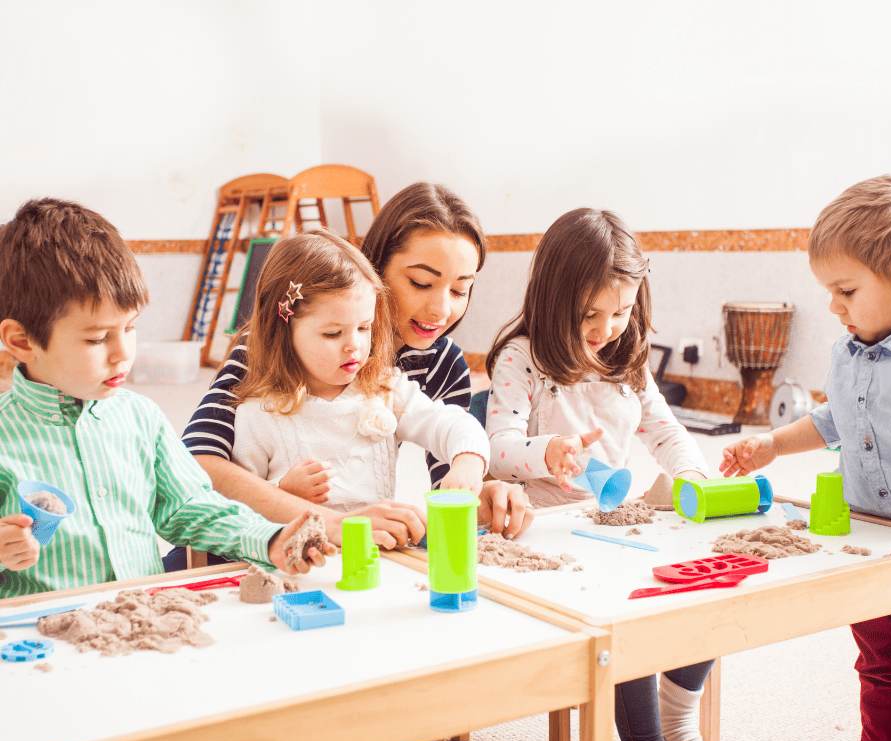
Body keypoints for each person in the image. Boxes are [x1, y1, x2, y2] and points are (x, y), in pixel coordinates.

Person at [170, 183, 532, 573]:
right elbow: (198, 469)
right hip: (254, 557)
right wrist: (323, 519)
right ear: (372, 268)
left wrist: (482, 489)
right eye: (421, 283)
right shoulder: (269, 356)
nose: (441, 310)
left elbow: (448, 479)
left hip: (357, 563)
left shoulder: (430, 369)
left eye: (461, 289)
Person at [485, 207, 725, 741]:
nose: (605, 327)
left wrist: (691, 473)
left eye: (620, 311)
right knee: (626, 618)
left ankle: (680, 724)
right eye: (589, 313)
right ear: (552, 298)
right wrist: (549, 452)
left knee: (708, 590)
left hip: (609, 518)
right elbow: (497, 447)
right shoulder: (524, 358)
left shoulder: (627, 357)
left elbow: (665, 432)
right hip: (543, 529)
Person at [720, 174, 891, 741]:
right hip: (867, 533)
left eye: (846, 290)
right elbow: (832, 420)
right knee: (877, 663)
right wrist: (771, 444)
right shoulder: (849, 351)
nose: (833, 307)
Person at [0, 198, 329, 599]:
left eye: (131, 327)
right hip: (43, 637)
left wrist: (268, 538)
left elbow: (191, 507)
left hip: (143, 616)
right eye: (97, 338)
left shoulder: (141, 418)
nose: (123, 353)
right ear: (21, 341)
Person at [228, 227, 490, 513]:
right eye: (332, 334)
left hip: (373, 553)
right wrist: (282, 491)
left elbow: (449, 423)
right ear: (285, 332)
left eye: (364, 327)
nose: (354, 345)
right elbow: (236, 510)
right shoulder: (259, 413)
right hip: (300, 555)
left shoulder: (384, 389)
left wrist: (468, 460)